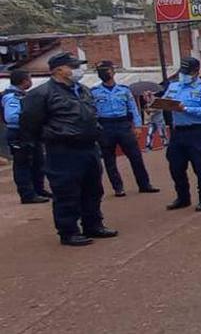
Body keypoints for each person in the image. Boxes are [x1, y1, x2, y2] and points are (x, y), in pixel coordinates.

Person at [20, 52, 118, 246]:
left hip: (88, 147)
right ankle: (69, 231)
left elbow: (91, 115)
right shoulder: (41, 94)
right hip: (63, 150)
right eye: (72, 67)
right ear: (59, 70)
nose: (77, 71)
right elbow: (30, 124)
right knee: (67, 191)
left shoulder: (83, 90)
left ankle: (93, 225)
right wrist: (52, 137)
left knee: (93, 189)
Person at [91, 60, 160, 197]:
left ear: (113, 71)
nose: (105, 73)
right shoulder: (94, 92)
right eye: (101, 71)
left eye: (107, 70)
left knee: (135, 156)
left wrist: (138, 125)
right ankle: (118, 188)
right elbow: (91, 111)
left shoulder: (124, 90)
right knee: (109, 159)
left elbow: (133, 108)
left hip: (123, 125)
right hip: (105, 126)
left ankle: (144, 184)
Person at [160, 57, 201, 212]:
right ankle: (183, 198)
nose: (184, 75)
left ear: (196, 72)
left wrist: (186, 109)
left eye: (187, 72)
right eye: (183, 72)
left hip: (197, 133)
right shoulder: (173, 86)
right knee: (176, 167)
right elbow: (165, 101)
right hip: (178, 133)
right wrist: (156, 103)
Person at [3, 70, 51, 204]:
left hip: (30, 133)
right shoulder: (11, 96)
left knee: (38, 161)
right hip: (19, 134)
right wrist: (31, 119)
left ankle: (38, 190)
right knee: (23, 165)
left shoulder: (23, 95)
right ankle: (27, 195)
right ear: (24, 81)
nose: (30, 82)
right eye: (29, 79)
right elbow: (11, 117)